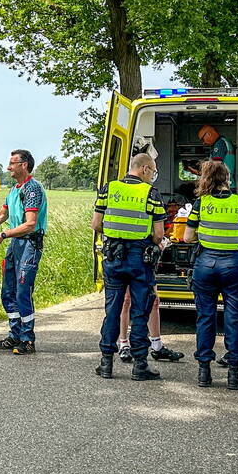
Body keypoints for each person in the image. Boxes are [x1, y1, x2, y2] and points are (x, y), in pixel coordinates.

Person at [183, 160, 238, 390]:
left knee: (205, 316)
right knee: (234, 317)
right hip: (234, 266)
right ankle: (233, 374)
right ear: (227, 178)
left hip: (206, 264)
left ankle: (204, 371)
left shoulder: (200, 204)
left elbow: (187, 237)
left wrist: (206, 237)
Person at [92, 152, 167, 381]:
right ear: (144, 169)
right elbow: (158, 234)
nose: (152, 176)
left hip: (113, 258)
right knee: (139, 312)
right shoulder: (151, 193)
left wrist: (116, 236)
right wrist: (156, 242)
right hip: (139, 259)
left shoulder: (108, 189)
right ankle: (140, 365)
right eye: (152, 172)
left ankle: (106, 363)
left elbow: (96, 224)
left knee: (112, 311)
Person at [0, 149, 48, 355]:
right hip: (15, 244)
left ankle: (27, 339)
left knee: (23, 291)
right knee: (7, 291)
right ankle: (14, 335)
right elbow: (2, 214)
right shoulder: (14, 190)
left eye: (12, 163)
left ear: (24, 165)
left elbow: (30, 224)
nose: (8, 167)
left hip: (29, 244)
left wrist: (3, 235)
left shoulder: (32, 190)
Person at [198, 125, 236, 189]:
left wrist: (202, 173)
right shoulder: (224, 141)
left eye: (202, 139)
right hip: (226, 184)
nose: (203, 143)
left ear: (208, 134)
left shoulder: (219, 144)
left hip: (223, 186)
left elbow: (215, 166)